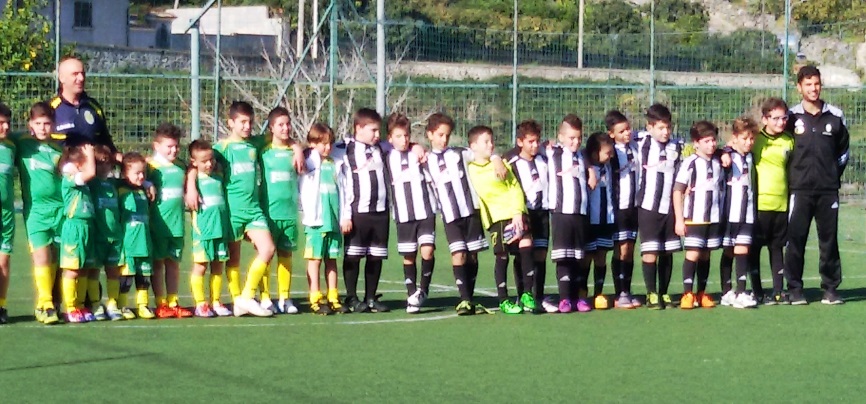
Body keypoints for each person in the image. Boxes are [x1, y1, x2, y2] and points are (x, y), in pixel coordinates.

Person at [186, 101, 274, 317]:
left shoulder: (255, 143)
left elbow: (281, 138)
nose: (247, 126)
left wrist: (298, 149)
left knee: (267, 249)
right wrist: (190, 186)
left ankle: (246, 295)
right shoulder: (220, 148)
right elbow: (195, 165)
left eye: (250, 122)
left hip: (254, 211)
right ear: (231, 122)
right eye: (242, 122)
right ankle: (237, 301)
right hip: (231, 212)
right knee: (232, 260)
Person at [785, 65, 849, 305]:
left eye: (817, 84)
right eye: (808, 84)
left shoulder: (835, 115)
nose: (813, 88)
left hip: (827, 189)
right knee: (795, 239)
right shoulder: (791, 117)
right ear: (799, 87)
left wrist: (831, 174)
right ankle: (794, 289)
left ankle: (831, 289)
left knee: (829, 240)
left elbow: (843, 152)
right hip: (799, 189)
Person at [424, 113, 491, 315]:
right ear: (430, 135)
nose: (444, 139)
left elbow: (482, 155)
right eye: (440, 135)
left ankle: (469, 297)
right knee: (458, 253)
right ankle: (464, 299)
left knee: (472, 254)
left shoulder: (459, 153)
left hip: (471, 211)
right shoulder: (425, 160)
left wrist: (495, 159)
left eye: (447, 135)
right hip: (450, 216)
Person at [467, 125, 536, 314]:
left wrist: (517, 213)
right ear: (473, 146)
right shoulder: (469, 167)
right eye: (486, 142)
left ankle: (526, 294)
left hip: (515, 214)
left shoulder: (502, 164)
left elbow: (515, 187)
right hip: (496, 218)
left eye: (492, 141)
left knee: (526, 246)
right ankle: (503, 299)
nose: (491, 145)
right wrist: (497, 157)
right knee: (502, 255)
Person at [335, 108, 391, 313]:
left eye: (379, 131)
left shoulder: (382, 148)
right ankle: (351, 297)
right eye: (373, 130)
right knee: (353, 255)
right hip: (358, 211)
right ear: (358, 128)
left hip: (381, 211)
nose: (377, 135)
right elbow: (317, 147)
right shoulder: (344, 147)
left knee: (376, 256)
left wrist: (416, 147)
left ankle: (370, 298)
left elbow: (404, 145)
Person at [384, 113, 437, 314]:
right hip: (403, 215)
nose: (404, 140)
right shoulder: (387, 156)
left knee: (428, 251)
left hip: (425, 211)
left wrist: (416, 146)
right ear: (390, 139)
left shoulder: (418, 153)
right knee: (409, 255)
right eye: (398, 136)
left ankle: (423, 290)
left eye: (406, 135)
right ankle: (411, 293)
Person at [19, 102, 65, 324]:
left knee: (55, 256)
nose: (43, 128)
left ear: (53, 125)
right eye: (38, 123)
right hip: (36, 211)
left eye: (47, 123)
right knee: (41, 255)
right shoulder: (22, 143)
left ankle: (53, 302)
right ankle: (44, 304)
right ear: (30, 124)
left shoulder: (60, 149)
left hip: (60, 210)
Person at [673, 121, 725, 310]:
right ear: (696, 143)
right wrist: (679, 219)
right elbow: (678, 190)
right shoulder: (690, 163)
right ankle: (688, 293)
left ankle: (702, 292)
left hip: (713, 217)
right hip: (694, 217)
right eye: (706, 141)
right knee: (693, 254)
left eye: (713, 140)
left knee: (705, 255)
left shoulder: (718, 163)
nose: (711, 144)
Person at [505, 120, 555, 313]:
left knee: (541, 254)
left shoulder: (544, 159)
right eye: (530, 141)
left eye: (537, 141)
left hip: (542, 213)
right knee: (522, 254)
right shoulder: (512, 162)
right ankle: (522, 295)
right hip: (522, 214)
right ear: (520, 142)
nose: (534, 145)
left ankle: (538, 296)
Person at [547, 115, 596, 313]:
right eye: (571, 138)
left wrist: (591, 170)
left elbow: (589, 164)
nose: (575, 142)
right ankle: (565, 298)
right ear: (561, 137)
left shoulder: (582, 156)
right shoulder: (552, 153)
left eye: (578, 138)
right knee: (564, 257)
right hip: (561, 213)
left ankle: (579, 298)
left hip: (581, 213)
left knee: (579, 257)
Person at [749, 98, 795, 305]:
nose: (781, 122)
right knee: (755, 247)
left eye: (784, 117)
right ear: (765, 119)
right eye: (775, 118)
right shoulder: (756, 139)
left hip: (781, 204)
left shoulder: (789, 140)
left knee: (777, 247)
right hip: (759, 205)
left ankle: (778, 290)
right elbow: (734, 147)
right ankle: (756, 290)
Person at [636, 104, 681, 310]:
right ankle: (651, 293)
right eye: (661, 128)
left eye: (668, 128)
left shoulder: (677, 146)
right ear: (650, 127)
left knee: (667, 251)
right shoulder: (640, 143)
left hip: (670, 208)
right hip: (648, 207)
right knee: (650, 251)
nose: (665, 132)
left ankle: (664, 291)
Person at [300, 123, 348, 315]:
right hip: (315, 221)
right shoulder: (309, 161)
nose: (327, 148)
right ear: (312, 143)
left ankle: (333, 297)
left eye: (330, 144)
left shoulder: (335, 163)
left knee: (332, 259)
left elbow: (343, 191)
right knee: (315, 260)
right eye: (322, 144)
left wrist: (344, 216)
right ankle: (315, 298)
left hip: (333, 220)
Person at [148, 123, 193, 318]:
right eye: (169, 146)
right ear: (156, 146)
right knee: (158, 264)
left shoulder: (182, 166)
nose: (174, 150)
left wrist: (191, 185)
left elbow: (194, 168)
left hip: (177, 225)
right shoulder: (150, 166)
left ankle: (173, 301)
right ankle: (160, 303)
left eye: (176, 146)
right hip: (158, 224)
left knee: (173, 263)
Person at [259, 107, 301, 314]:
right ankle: (265, 297)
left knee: (286, 255)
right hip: (269, 213)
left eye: (287, 124)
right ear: (271, 127)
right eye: (280, 125)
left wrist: (298, 147)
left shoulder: (294, 150)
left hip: (290, 213)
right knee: (265, 254)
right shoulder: (263, 150)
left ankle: (285, 297)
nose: (285, 128)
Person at [188, 139, 232, 318]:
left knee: (217, 266)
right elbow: (190, 173)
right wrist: (191, 181)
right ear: (194, 162)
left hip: (220, 228)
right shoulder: (194, 178)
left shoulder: (219, 175)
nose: (209, 163)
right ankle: (200, 303)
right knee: (201, 266)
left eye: (211, 159)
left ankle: (216, 301)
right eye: (204, 161)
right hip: (203, 231)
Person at [718, 117, 759, 309]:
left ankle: (742, 291)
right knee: (729, 250)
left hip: (747, 211)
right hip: (729, 212)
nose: (749, 142)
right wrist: (724, 150)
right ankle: (727, 291)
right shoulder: (728, 155)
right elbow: (716, 152)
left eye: (751, 138)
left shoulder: (750, 156)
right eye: (744, 138)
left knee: (743, 248)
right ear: (735, 138)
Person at [49, 56, 120, 161]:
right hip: (62, 174)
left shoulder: (93, 107)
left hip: (94, 174)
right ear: (61, 78)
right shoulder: (50, 109)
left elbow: (107, 145)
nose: (81, 78)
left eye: (83, 73)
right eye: (75, 74)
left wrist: (129, 164)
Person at [605, 110, 641, 309]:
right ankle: (619, 293)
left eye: (628, 129)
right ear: (612, 134)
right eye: (621, 131)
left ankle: (627, 289)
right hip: (618, 207)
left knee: (630, 250)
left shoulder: (636, 145)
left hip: (634, 208)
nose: (627, 133)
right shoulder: (610, 151)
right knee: (621, 249)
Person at [57, 143, 97, 323]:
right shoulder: (70, 177)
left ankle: (80, 305)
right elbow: (91, 173)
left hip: (87, 227)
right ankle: (70, 307)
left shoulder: (83, 183)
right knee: (72, 269)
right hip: (74, 228)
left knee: (84, 269)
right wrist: (89, 154)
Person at [89, 145, 126, 320]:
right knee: (94, 271)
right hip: (97, 236)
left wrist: (119, 159)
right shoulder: (91, 183)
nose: (104, 167)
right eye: (99, 163)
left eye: (107, 163)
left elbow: (131, 170)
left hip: (115, 236)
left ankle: (112, 303)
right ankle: (95, 303)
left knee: (113, 271)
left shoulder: (114, 183)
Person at [117, 152, 156, 319]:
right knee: (126, 277)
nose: (141, 176)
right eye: (137, 173)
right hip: (128, 243)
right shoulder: (120, 190)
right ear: (125, 174)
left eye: (143, 173)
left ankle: (143, 305)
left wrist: (147, 183)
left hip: (144, 242)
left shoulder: (144, 191)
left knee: (144, 277)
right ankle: (122, 305)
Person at [584, 133, 616, 310]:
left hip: (606, 219)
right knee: (586, 257)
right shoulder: (586, 167)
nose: (610, 156)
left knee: (601, 256)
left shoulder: (608, 166)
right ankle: (582, 290)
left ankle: (598, 293)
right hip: (590, 220)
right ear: (595, 153)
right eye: (607, 152)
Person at [0, 103, 13, 324]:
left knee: (3, 262)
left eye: (8, 123)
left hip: (7, 214)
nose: (5, 127)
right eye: (0, 123)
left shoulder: (13, 145)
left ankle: (1, 306)